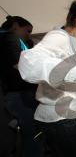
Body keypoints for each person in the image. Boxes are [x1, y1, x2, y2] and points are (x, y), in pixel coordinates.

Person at [18, 0, 76, 157]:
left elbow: (63, 78)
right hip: (60, 119)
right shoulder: (59, 37)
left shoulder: (70, 44)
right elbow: (29, 63)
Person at [0, 16, 42, 157]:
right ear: (15, 25)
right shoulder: (10, 37)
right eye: (27, 31)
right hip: (21, 95)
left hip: (12, 94)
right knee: (33, 135)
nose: (28, 34)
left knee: (25, 134)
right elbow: (19, 65)